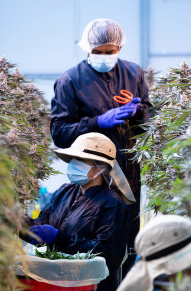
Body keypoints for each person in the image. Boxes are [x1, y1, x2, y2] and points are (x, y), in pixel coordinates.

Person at [50, 18, 152, 276]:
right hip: (93, 175)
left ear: (120, 48)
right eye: (98, 52)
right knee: (95, 241)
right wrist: (97, 122)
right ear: (87, 48)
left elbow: (150, 126)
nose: (104, 57)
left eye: (110, 52)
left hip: (128, 173)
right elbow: (60, 133)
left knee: (127, 243)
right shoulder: (70, 81)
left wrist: (138, 111)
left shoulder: (134, 73)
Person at [22, 132, 134, 291]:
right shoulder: (65, 192)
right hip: (51, 285)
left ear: (99, 168)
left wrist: (60, 238)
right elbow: (41, 226)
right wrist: (21, 225)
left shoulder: (113, 204)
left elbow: (106, 252)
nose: (73, 164)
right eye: (73, 159)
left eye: (80, 160)